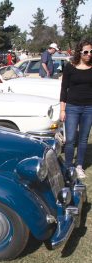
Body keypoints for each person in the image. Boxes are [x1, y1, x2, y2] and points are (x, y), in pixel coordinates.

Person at [60, 39, 92, 178]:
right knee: (71, 138)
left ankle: (79, 166)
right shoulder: (70, 67)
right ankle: (68, 166)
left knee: (83, 139)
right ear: (79, 52)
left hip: (89, 108)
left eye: (91, 51)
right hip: (72, 107)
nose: (89, 54)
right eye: (86, 52)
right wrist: (62, 109)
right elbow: (64, 89)